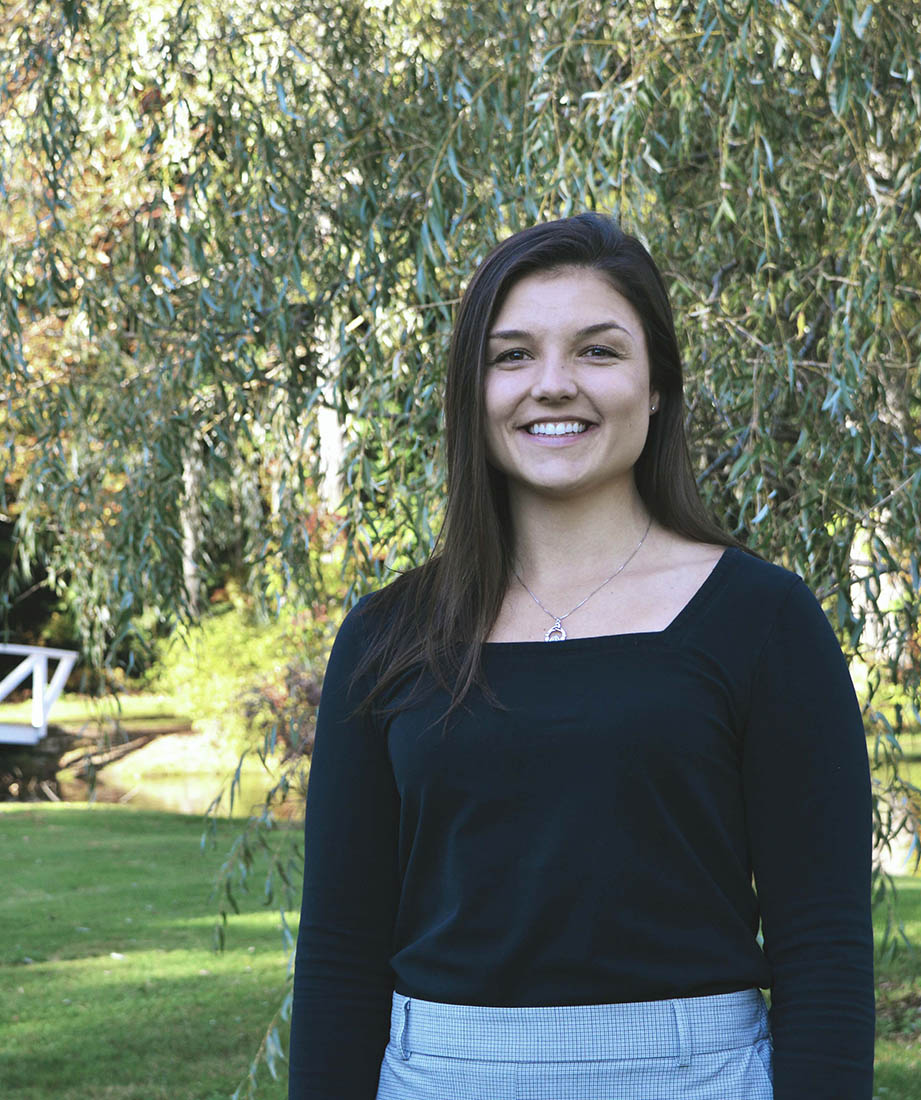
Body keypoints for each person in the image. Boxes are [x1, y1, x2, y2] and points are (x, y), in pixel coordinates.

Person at [288, 213, 875, 1099]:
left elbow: (823, 945)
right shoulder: (388, 635)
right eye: (513, 356)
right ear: (473, 390)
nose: (553, 384)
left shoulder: (764, 620)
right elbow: (340, 948)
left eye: (598, 351)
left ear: (658, 384)